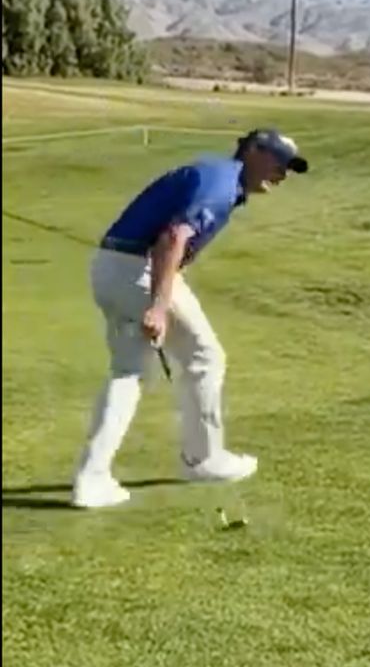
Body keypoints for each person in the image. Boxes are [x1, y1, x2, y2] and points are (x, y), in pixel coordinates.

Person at [70, 128, 310, 509]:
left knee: (129, 371)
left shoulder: (219, 178)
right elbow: (171, 239)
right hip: (137, 268)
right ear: (252, 152)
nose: (282, 173)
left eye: (288, 168)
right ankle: (203, 459)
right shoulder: (221, 183)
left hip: (112, 267)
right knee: (205, 356)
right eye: (278, 162)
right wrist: (159, 306)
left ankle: (92, 477)